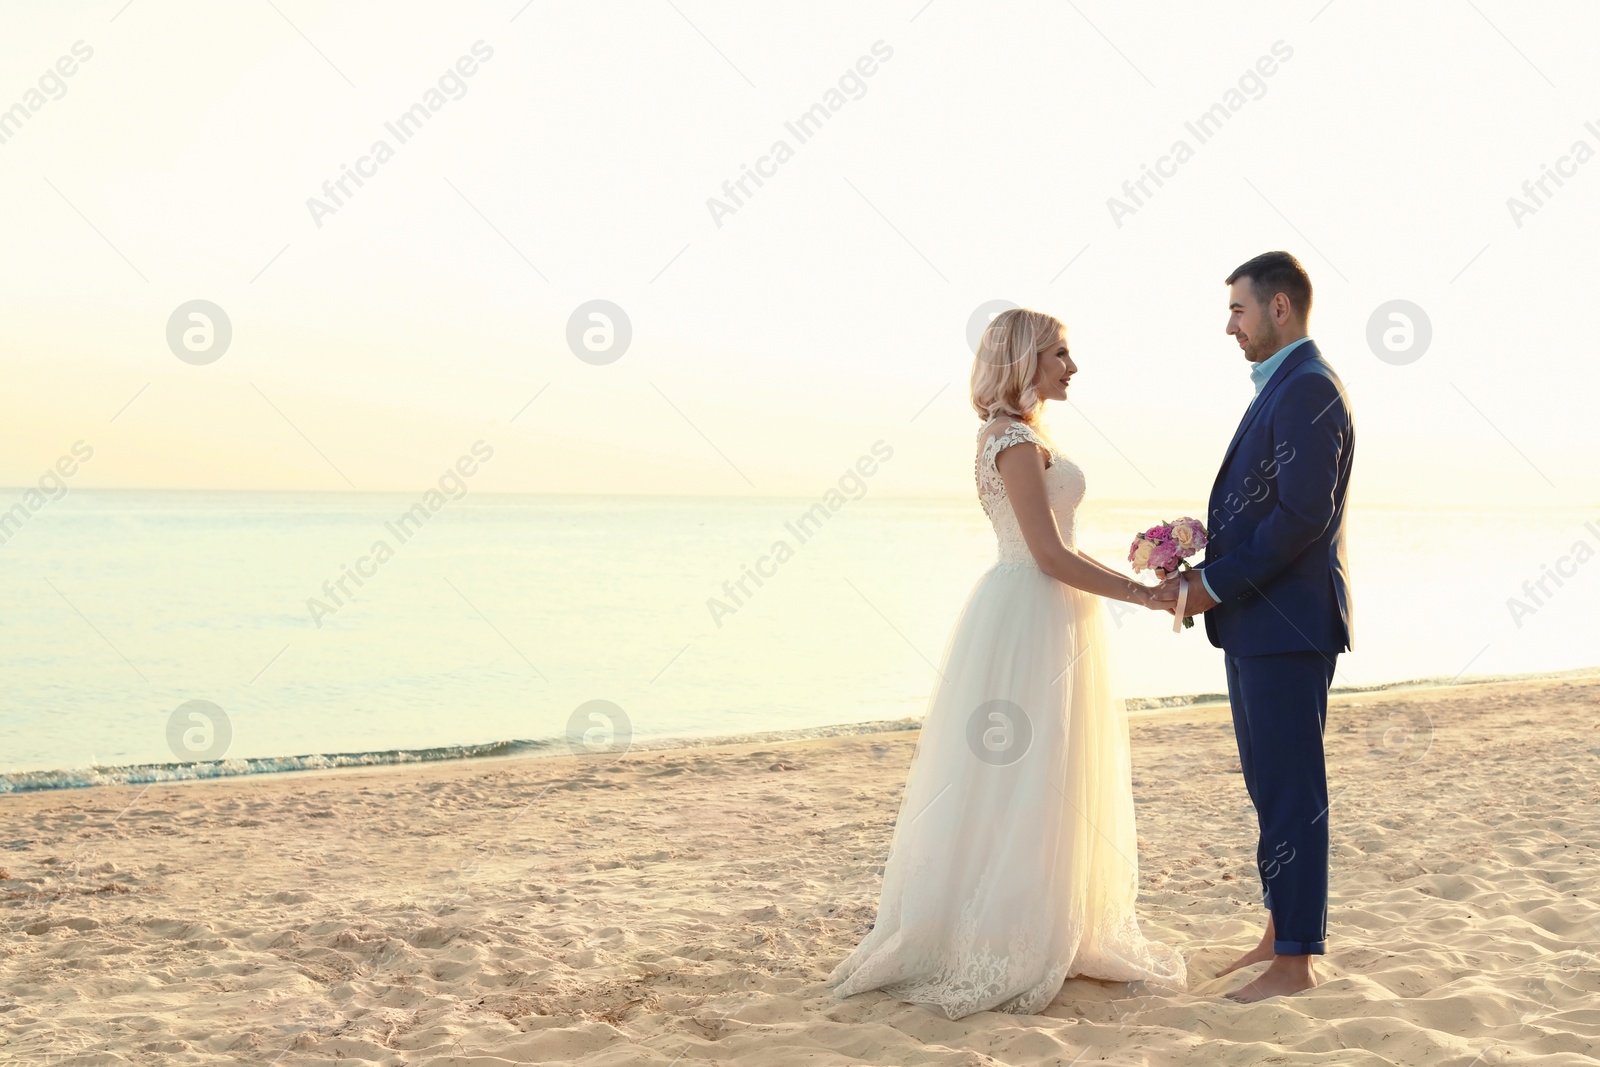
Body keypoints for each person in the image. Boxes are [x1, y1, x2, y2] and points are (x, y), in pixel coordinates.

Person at [823, 307, 1186, 1019]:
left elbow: (1062, 547)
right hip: (1031, 609)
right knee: (1023, 772)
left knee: (1048, 769)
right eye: (1060, 352)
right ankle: (1003, 931)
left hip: (1049, 607)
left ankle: (1047, 918)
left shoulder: (1026, 435)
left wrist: (1138, 580)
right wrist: (1143, 594)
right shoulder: (1013, 439)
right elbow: (1048, 553)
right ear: (1025, 358)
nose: (1072, 366)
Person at [1156, 250, 1355, 1002]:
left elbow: (1302, 517)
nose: (1228, 325)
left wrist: (1209, 583)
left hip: (1286, 625)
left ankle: (1296, 962)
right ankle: (1280, 932)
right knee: (1270, 789)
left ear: (1279, 307)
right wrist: (1201, 551)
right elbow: (1267, 508)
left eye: (1238, 309)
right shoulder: (1286, 386)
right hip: (1258, 625)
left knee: (1291, 790)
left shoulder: (1307, 388)